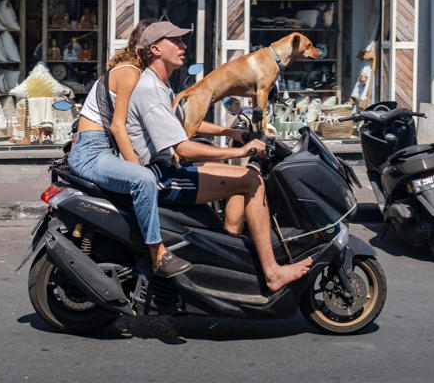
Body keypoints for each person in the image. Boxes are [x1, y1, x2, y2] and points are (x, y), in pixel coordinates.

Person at [126, 21, 312, 292]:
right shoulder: (151, 90)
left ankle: (229, 244)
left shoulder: (159, 86)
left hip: (166, 167)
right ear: (155, 50)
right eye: (175, 42)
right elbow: (183, 147)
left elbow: (183, 123)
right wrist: (237, 151)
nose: (183, 46)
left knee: (248, 175)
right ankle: (272, 273)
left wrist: (229, 132)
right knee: (252, 181)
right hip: (163, 175)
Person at [67, 19, 191, 278]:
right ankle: (158, 254)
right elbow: (118, 127)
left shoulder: (143, 77)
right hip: (92, 150)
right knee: (144, 178)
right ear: (148, 47)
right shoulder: (130, 72)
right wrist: (135, 167)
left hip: (97, 147)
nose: (180, 46)